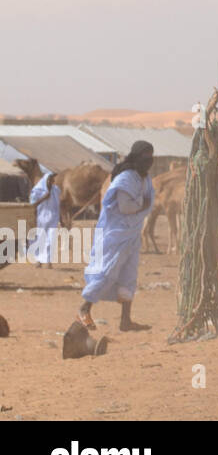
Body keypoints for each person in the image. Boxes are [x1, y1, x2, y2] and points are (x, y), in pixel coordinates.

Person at [79, 141, 154, 331]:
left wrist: (143, 205)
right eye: (145, 156)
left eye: (151, 156)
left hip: (132, 234)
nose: (149, 160)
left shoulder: (144, 179)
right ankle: (84, 309)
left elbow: (149, 200)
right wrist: (142, 205)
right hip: (115, 233)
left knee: (129, 275)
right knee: (106, 271)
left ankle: (125, 321)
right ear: (137, 156)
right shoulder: (126, 177)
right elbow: (125, 206)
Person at [27, 167, 60, 268]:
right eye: (50, 179)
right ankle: (39, 260)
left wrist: (62, 219)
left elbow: (59, 205)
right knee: (40, 239)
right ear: (46, 179)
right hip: (40, 219)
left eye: (53, 179)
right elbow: (33, 205)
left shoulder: (56, 190)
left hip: (53, 218)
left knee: (51, 239)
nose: (52, 181)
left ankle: (48, 261)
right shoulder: (37, 191)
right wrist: (44, 198)